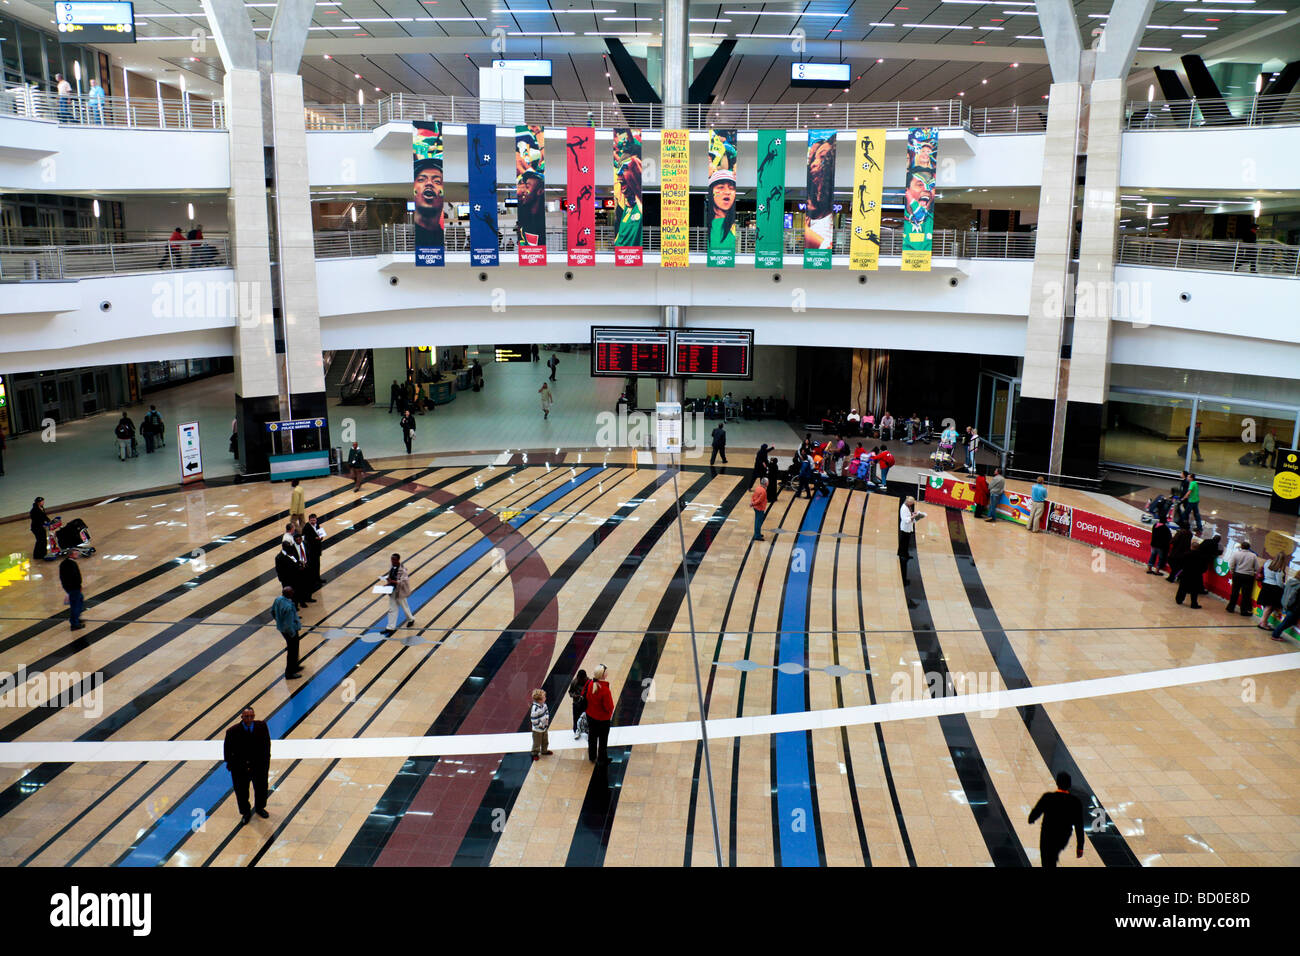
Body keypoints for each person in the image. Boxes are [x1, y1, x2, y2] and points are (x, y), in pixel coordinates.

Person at [223, 707, 272, 822]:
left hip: (259, 767)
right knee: (241, 792)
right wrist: (231, 766)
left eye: (251, 716)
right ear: (242, 717)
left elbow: (266, 745)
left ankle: (260, 808)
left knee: (261, 789)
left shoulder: (262, 726)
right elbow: (227, 751)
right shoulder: (232, 731)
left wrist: (266, 763)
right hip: (240, 769)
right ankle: (245, 812)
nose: (249, 719)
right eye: (246, 716)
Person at [1027, 771, 1085, 868]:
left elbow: (1035, 813)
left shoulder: (1048, 797)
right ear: (1069, 785)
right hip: (1063, 836)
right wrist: (1080, 846)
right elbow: (1079, 825)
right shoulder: (1075, 802)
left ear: (1057, 783)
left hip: (1047, 835)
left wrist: (1031, 819)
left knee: (1047, 859)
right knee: (1052, 856)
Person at [1176, 534, 1221, 609]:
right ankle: (1194, 604)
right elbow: (1203, 567)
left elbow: (1181, 564)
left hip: (1186, 573)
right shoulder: (1202, 557)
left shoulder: (1186, 554)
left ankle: (1179, 599)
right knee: (1194, 590)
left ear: (1191, 547)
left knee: (1182, 587)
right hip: (1196, 575)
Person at [584, 665, 614, 764]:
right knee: (603, 740)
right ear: (604, 675)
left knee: (592, 737)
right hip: (602, 719)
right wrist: (609, 714)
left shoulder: (589, 684)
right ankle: (602, 758)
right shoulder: (605, 690)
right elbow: (609, 706)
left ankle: (592, 756)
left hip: (590, 716)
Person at [413, 155, 445, 247]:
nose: (429, 183)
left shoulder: (443, 237)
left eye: (437, 181)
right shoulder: (407, 236)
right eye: (421, 179)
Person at [272, 586, 303, 679]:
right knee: (292, 651)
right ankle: (289, 672)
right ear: (289, 594)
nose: (293, 592)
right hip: (290, 631)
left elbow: (272, 611)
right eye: (292, 591)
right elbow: (288, 624)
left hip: (282, 629)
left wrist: (278, 621)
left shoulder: (278, 599)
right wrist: (292, 633)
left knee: (294, 649)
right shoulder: (288, 607)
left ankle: (295, 666)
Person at [1225, 540, 1261, 617]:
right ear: (1249, 548)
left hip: (1237, 574)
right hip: (1248, 576)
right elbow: (1257, 567)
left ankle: (1230, 607)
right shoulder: (1253, 555)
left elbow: (1231, 564)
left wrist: (1233, 572)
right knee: (1246, 594)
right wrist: (1253, 573)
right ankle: (1243, 611)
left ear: (1241, 547)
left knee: (1235, 591)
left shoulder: (1236, 554)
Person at [382, 553, 415, 635]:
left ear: (398, 560)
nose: (392, 561)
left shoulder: (403, 570)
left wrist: (393, 581)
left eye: (394, 559)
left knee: (405, 607)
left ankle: (411, 619)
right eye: (391, 559)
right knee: (392, 609)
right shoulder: (392, 567)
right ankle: (390, 627)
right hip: (393, 591)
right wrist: (388, 582)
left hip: (400, 592)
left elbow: (404, 582)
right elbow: (391, 577)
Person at [1256, 552, 1289, 631]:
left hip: (1265, 586)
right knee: (1269, 607)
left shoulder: (1267, 563)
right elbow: (1279, 583)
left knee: (1266, 606)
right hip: (1273, 589)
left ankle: (1263, 621)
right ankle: (1263, 623)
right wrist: (1284, 586)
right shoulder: (1279, 570)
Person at [898, 496, 924, 585]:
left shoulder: (908, 507)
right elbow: (906, 520)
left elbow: (909, 515)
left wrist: (913, 513)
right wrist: (914, 516)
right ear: (909, 502)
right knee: (903, 542)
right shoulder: (904, 508)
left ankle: (904, 553)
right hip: (905, 527)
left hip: (908, 528)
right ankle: (902, 554)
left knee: (906, 542)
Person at [1268, 570, 1300, 642]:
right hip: (1294, 608)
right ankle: (1275, 635)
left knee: (1289, 622)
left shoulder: (1290, 581)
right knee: (1286, 623)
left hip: (1287, 605)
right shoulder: (1299, 585)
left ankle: (1276, 633)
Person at [59, 554, 85, 631]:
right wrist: (76, 586)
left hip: (73, 587)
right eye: (75, 552)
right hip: (73, 587)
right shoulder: (69, 564)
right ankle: (74, 623)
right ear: (70, 554)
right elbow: (72, 577)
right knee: (75, 605)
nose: (77, 554)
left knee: (80, 599)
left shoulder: (66, 563)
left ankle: (76, 618)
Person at [303, 514, 326, 590]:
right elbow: (306, 539)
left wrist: (321, 537)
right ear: (309, 520)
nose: (313, 521)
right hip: (311, 550)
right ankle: (313, 581)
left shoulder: (317, 525)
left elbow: (320, 534)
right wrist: (315, 538)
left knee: (317, 564)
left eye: (314, 520)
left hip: (317, 549)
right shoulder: (306, 527)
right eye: (312, 520)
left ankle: (318, 578)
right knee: (312, 566)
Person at [529, 689, 553, 761]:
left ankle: (544, 750)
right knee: (537, 742)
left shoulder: (544, 705)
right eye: (544, 697)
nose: (545, 698)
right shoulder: (535, 708)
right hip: (537, 729)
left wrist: (546, 720)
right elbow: (534, 720)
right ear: (539, 700)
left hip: (544, 727)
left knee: (545, 740)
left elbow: (547, 712)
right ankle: (534, 753)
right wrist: (541, 726)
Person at [568, 669, 589, 739]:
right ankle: (577, 730)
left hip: (586, 704)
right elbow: (570, 692)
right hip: (576, 704)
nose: (580, 680)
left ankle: (588, 731)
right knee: (576, 718)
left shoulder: (589, 683)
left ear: (585, 677)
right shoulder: (574, 682)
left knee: (587, 718)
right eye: (579, 679)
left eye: (582, 679)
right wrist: (575, 695)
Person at [751, 477, 769, 542]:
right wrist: (753, 503)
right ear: (766, 483)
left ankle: (757, 533)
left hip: (756, 508)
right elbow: (760, 500)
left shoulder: (758, 488)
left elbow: (753, 496)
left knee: (757, 521)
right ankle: (757, 536)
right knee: (758, 522)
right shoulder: (763, 491)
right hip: (760, 508)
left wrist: (752, 502)